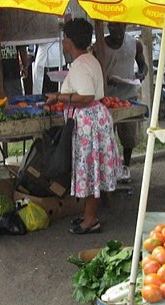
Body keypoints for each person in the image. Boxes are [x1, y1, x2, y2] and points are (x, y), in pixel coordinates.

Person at [45, 18, 121, 235]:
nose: (63, 42)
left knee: (89, 170)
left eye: (65, 38)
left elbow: (86, 96)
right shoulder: (91, 59)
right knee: (91, 169)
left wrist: (59, 97)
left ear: (70, 40)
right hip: (95, 119)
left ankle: (91, 220)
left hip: (89, 122)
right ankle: (88, 215)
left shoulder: (80, 64)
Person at [93, 21, 147, 182]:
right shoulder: (99, 47)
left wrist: (141, 75)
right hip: (107, 97)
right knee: (108, 135)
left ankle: (126, 166)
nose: (117, 35)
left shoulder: (134, 45)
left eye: (120, 31)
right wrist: (104, 80)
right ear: (108, 28)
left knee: (129, 135)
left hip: (128, 96)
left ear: (125, 28)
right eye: (113, 31)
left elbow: (143, 66)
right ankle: (109, 168)